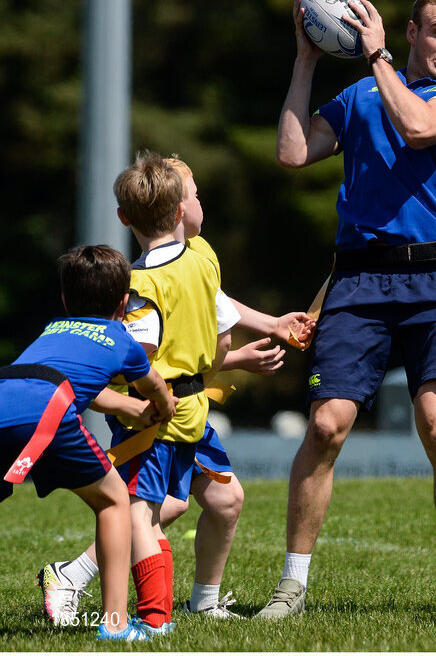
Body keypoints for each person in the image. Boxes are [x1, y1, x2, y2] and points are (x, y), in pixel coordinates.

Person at [259, 0, 436, 618]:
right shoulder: (361, 95)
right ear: (414, 31)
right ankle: (293, 585)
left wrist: (377, 57)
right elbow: (291, 151)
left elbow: (418, 129)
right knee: (326, 425)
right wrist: (306, 60)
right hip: (359, 281)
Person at [38, 158, 315, 622]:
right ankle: (132, 611)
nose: (198, 201)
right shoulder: (141, 285)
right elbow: (145, 359)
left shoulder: (196, 260)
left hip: (190, 409)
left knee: (221, 501)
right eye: (195, 192)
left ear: (125, 218)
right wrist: (230, 357)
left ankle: (200, 602)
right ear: (179, 207)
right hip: (154, 417)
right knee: (144, 511)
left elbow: (211, 314)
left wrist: (259, 336)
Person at [1, 245, 176, 641]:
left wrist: (132, 410)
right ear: (124, 302)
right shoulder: (121, 336)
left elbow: (74, 383)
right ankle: (115, 625)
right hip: (47, 411)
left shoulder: (52, 329)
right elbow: (154, 385)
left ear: (65, 299)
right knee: (114, 499)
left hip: (6, 397)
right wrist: (162, 407)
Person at [99, 152, 234, 636]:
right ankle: (165, 611)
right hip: (195, 409)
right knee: (160, 512)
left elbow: (138, 358)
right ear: (180, 212)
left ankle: (154, 620)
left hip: (154, 415)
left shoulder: (140, 283)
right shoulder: (202, 262)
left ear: (122, 218)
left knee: (139, 513)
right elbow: (223, 338)